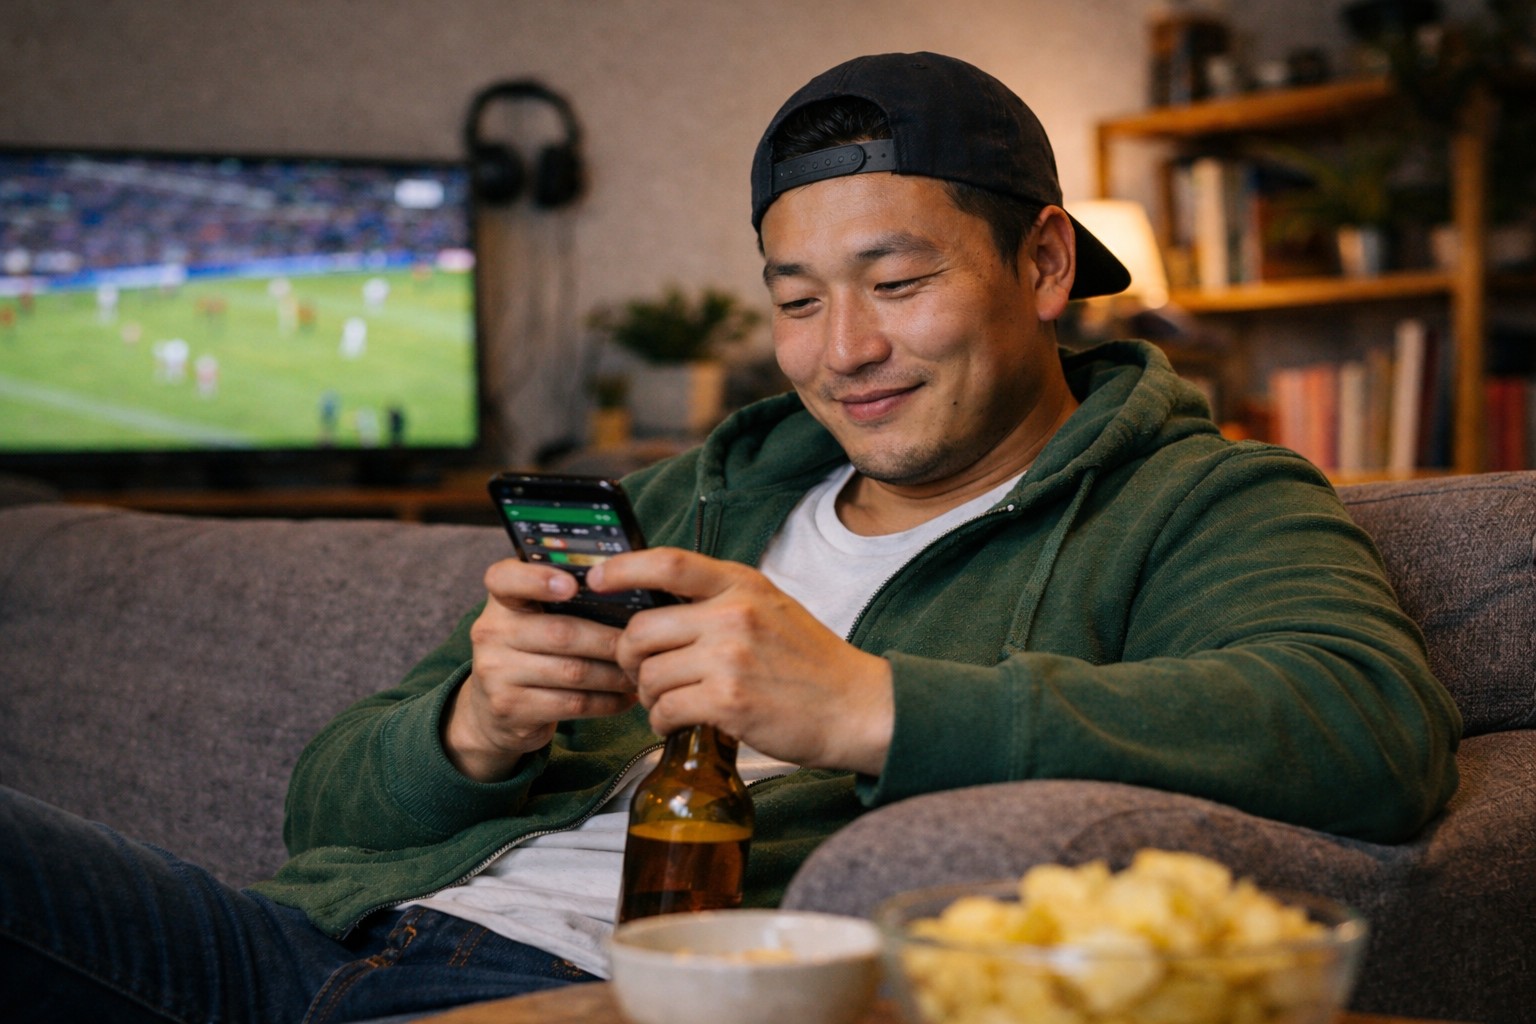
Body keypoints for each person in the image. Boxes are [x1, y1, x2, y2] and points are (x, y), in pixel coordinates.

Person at [1, 51, 1460, 1023]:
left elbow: (1367, 727)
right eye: (796, 299)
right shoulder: (699, 490)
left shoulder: (1195, 496)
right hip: (297, 948)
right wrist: (470, 730)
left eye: (897, 282)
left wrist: (869, 705)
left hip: (572, 993)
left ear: (1042, 261)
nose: (844, 351)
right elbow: (321, 813)